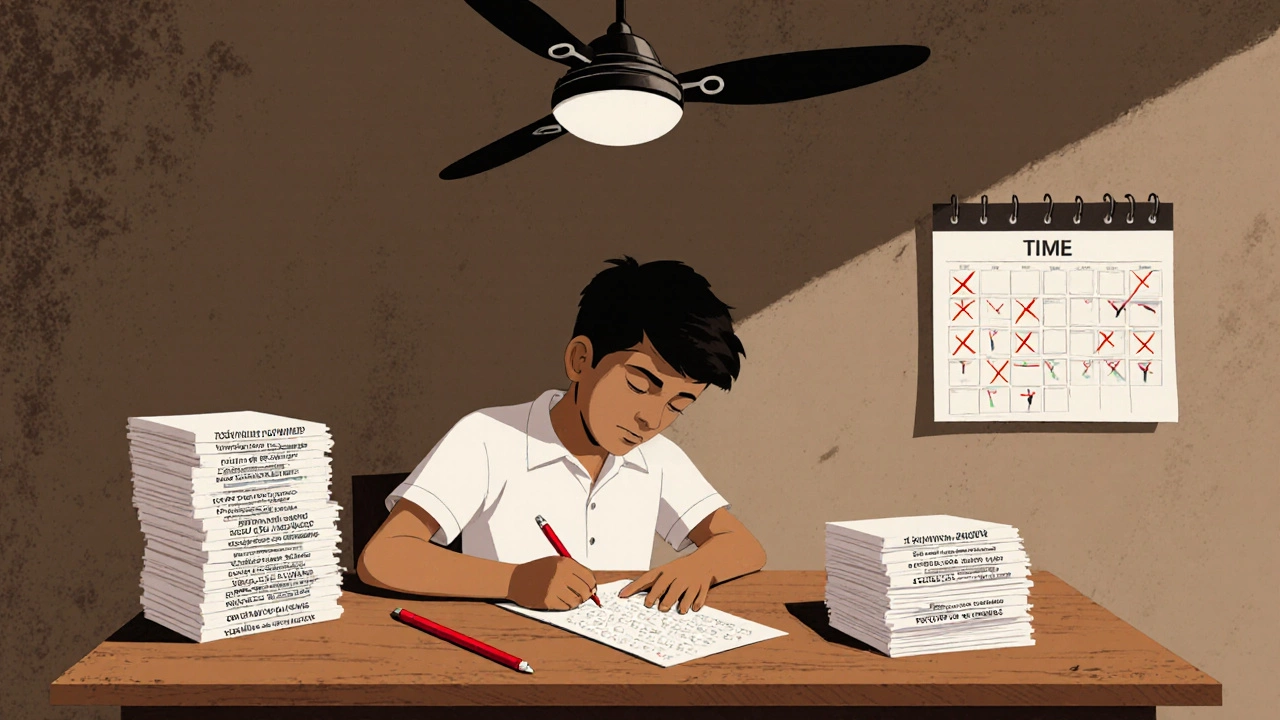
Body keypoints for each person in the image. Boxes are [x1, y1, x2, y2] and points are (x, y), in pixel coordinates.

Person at [356, 256, 766, 614]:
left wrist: (699, 566)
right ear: (580, 359)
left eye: (678, 405)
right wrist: (515, 582)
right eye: (640, 386)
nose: (651, 419)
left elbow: (744, 546)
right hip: (508, 656)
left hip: (617, 655)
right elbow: (384, 557)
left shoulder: (658, 458)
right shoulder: (488, 437)